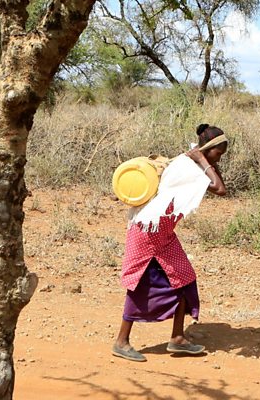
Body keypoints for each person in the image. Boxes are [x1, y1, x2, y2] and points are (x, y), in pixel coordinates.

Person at [112, 124, 228, 362]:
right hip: (147, 232)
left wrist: (205, 160)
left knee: (184, 278)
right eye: (218, 153)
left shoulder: (196, 164)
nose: (219, 158)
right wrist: (202, 160)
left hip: (162, 234)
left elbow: (216, 180)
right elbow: (220, 188)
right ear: (207, 149)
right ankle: (121, 342)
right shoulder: (189, 167)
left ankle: (177, 338)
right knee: (140, 285)